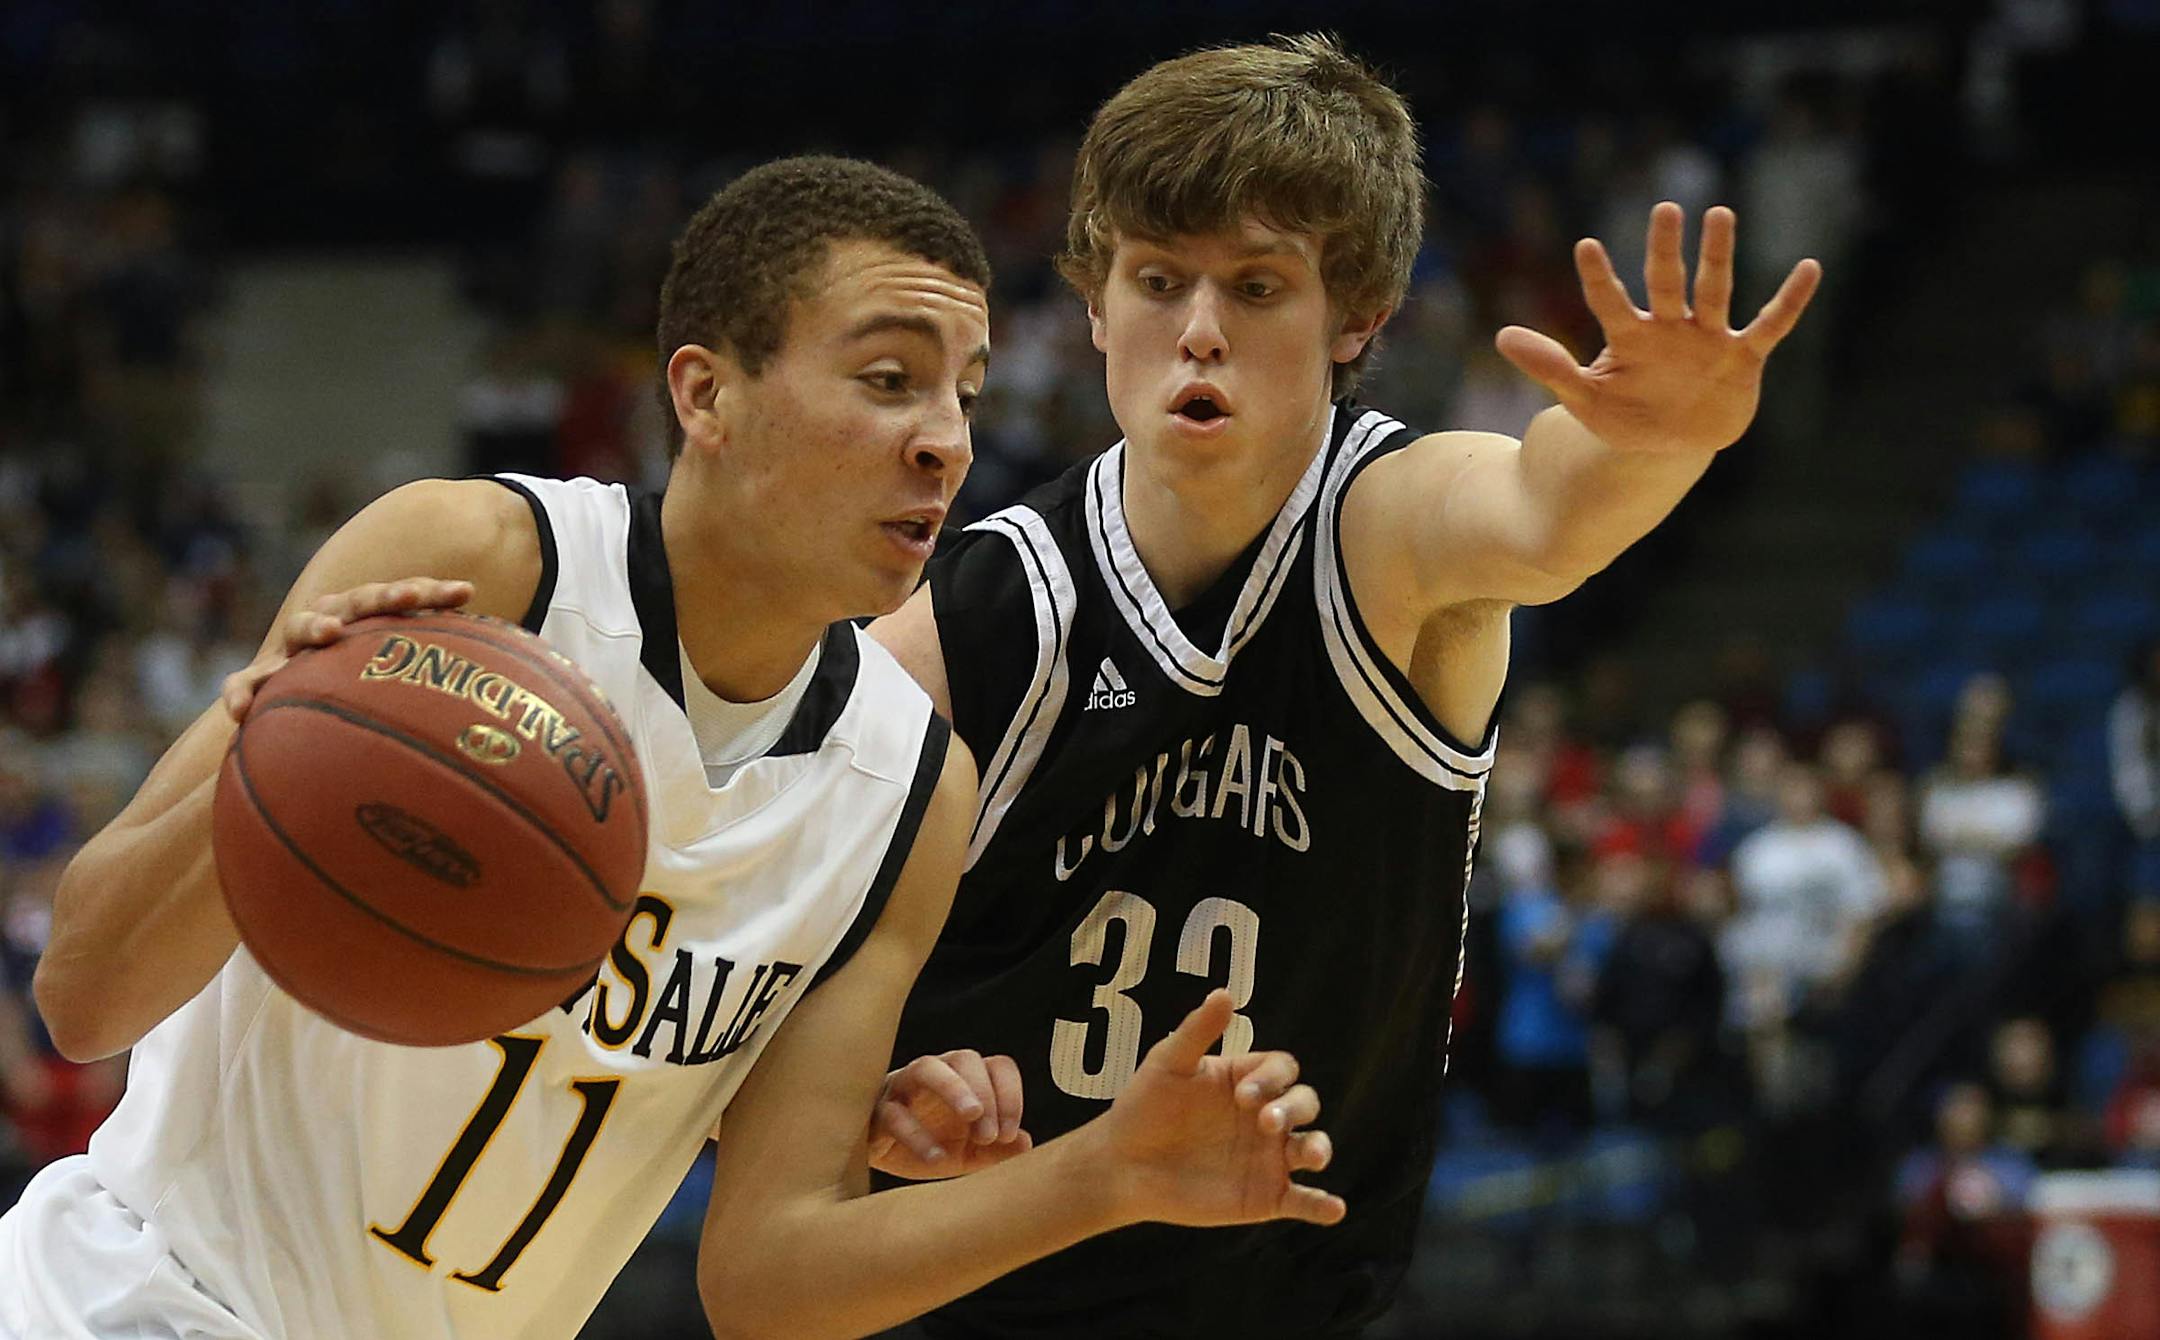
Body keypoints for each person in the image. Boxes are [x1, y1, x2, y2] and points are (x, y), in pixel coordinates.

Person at [0, 156, 1342, 1340]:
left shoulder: (906, 791)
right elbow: (85, 994)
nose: (943, 440)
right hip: (135, 1299)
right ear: (704, 392)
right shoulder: (480, 567)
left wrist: (1099, 1175)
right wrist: (275, 755)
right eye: (887, 381)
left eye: (964, 394)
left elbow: (764, 1283)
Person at [870, 36, 1820, 1337]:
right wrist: (891, 1100)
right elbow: (784, 963)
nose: (1198, 331)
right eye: (1158, 281)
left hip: (1290, 1300)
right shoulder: (976, 617)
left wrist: (1655, 445)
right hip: (977, 1297)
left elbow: (1543, 510)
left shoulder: (1385, 528)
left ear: (1357, 315)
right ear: (1093, 304)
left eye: (1257, 288)